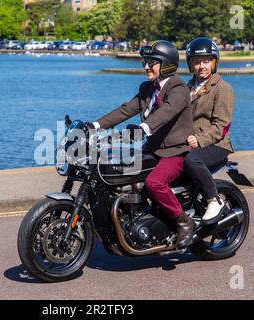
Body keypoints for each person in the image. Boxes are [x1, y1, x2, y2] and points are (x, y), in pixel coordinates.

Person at [87, 40, 195, 248]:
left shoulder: (178, 87)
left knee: (154, 182)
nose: (146, 66)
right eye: (145, 62)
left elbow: (167, 111)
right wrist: (94, 125)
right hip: (154, 148)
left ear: (167, 64)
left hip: (175, 151)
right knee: (122, 169)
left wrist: (144, 128)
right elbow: (126, 109)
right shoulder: (147, 88)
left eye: (152, 62)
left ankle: (183, 221)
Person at [184, 37, 235, 224]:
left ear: (214, 62)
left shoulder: (223, 88)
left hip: (216, 144)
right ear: (190, 65)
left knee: (192, 160)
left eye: (206, 61)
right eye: (197, 62)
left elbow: (222, 126)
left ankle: (214, 199)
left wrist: (199, 139)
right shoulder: (186, 88)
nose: (201, 66)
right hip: (190, 142)